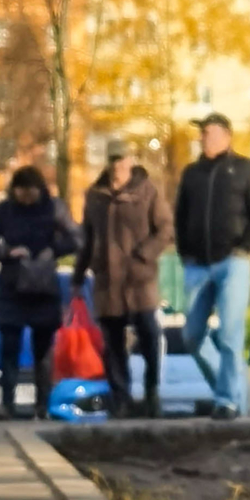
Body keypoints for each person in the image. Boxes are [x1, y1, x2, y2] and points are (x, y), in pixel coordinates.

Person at [173, 113, 250, 421]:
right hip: (198, 266)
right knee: (191, 336)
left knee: (229, 334)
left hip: (232, 263)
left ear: (227, 136)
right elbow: (180, 217)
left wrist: (244, 249)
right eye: (202, 133)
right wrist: (185, 252)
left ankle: (226, 400)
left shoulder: (244, 170)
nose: (204, 138)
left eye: (210, 133)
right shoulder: (192, 174)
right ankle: (231, 390)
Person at [74, 138, 172, 418]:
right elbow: (87, 237)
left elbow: (165, 228)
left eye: (122, 159)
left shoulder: (147, 191)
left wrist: (146, 254)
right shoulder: (95, 195)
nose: (118, 165)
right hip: (108, 282)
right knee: (113, 344)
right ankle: (121, 400)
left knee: (149, 336)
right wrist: (79, 275)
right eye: (113, 160)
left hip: (139, 280)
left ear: (131, 160)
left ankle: (152, 392)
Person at [0, 166, 79, 419]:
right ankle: (7, 403)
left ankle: (42, 405)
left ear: (39, 189)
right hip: (11, 288)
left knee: (43, 351)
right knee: (9, 348)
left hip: (43, 288)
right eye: (20, 193)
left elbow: (76, 238)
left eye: (30, 193)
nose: (25, 198)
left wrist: (52, 250)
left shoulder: (54, 208)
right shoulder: (4, 211)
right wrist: (7, 252)